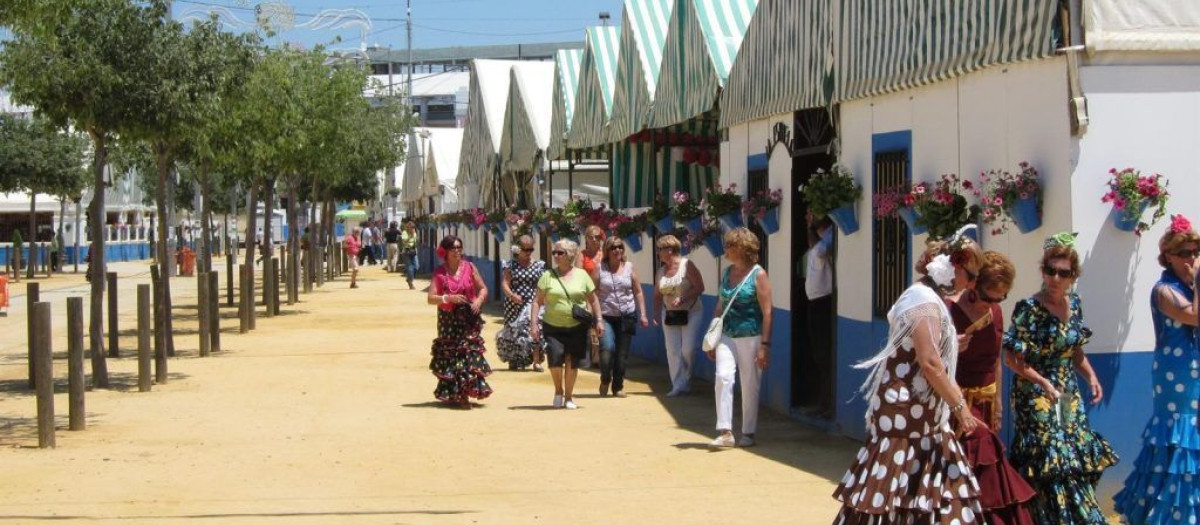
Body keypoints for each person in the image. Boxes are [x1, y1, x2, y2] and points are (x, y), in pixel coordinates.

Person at [833, 229, 984, 522]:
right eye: (972, 273)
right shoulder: (922, 300)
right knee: (899, 495)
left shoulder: (927, 299)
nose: (973, 282)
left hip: (921, 419)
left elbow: (928, 356)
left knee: (918, 497)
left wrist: (951, 346)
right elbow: (929, 362)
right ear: (954, 266)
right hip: (908, 419)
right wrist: (960, 406)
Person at [1003, 232, 1118, 524]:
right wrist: (1043, 383)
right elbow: (1011, 359)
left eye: (1063, 273)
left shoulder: (1074, 305)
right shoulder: (1028, 310)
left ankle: (1072, 517)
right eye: (1050, 271)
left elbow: (1074, 350)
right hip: (1035, 392)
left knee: (1073, 452)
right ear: (1043, 271)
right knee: (1050, 455)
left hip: (1066, 392)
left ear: (1073, 276)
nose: (1055, 278)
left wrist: (1091, 376)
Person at [1115, 215, 1200, 524]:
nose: (1191, 258)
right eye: (1184, 253)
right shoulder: (1165, 290)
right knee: (1180, 433)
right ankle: (1170, 509)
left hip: (1196, 365)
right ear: (1168, 257)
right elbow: (1193, 316)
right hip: (1175, 372)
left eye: (1195, 251)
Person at [947, 249, 1037, 524]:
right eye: (987, 297)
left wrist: (997, 401)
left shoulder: (996, 313)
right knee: (974, 455)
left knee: (981, 470)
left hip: (985, 402)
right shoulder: (948, 309)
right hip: (956, 402)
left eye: (1000, 298)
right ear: (974, 284)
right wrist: (952, 346)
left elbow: (996, 358)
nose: (992, 304)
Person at [707, 228, 773, 448]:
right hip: (727, 334)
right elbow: (720, 306)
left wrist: (765, 345)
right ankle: (725, 431)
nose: (726, 249)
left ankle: (748, 431)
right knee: (723, 376)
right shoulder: (727, 273)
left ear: (742, 249)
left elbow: (768, 312)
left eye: (730, 246)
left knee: (749, 383)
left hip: (751, 336)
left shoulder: (758, 274)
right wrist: (712, 337)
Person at [530, 239, 604, 410]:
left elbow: (593, 300)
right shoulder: (547, 276)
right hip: (552, 325)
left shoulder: (582, 275)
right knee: (555, 359)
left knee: (572, 360)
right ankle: (558, 391)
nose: (555, 256)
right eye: (554, 253)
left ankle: (569, 396)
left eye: (559, 253)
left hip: (576, 326)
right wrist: (534, 324)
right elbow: (537, 302)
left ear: (569, 255)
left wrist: (599, 320)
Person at [426, 235, 492, 408]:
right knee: (452, 355)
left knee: (467, 353)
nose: (457, 251)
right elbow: (431, 298)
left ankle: (464, 394)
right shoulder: (440, 273)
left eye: (459, 248)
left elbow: (483, 288)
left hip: (468, 318)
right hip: (448, 320)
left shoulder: (470, 267)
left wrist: (478, 300)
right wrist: (449, 298)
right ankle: (454, 392)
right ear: (446, 251)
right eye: (453, 248)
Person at [652, 234, 705, 396]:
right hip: (669, 314)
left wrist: (683, 298)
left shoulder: (687, 265)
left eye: (660, 250)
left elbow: (699, 287)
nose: (658, 253)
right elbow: (657, 295)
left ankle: (686, 377)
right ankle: (678, 384)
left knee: (688, 350)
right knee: (672, 350)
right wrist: (655, 314)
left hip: (691, 312)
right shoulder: (661, 271)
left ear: (670, 250)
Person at [595, 236, 649, 397]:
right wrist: (596, 317)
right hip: (606, 315)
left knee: (622, 354)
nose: (617, 250)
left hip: (627, 315)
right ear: (607, 251)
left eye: (620, 247)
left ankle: (617, 386)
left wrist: (643, 314)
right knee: (607, 349)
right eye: (613, 248)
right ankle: (605, 378)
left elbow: (638, 291)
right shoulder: (600, 268)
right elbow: (592, 293)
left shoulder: (630, 267)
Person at [498, 235, 547, 371]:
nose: (528, 252)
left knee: (535, 329)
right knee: (515, 332)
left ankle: (536, 360)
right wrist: (512, 296)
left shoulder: (538, 265)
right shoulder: (510, 265)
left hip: (533, 302)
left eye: (531, 249)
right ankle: (517, 359)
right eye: (526, 249)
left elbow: (542, 284)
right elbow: (505, 283)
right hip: (514, 304)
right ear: (518, 249)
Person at [805, 213, 835, 417]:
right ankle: (823, 401)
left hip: (823, 301)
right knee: (818, 353)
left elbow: (823, 251)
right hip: (815, 302)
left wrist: (811, 229)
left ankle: (827, 403)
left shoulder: (829, 236)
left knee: (823, 353)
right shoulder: (820, 240)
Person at [580, 225, 606, 367]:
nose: (595, 240)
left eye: (598, 237)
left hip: (603, 295)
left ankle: (598, 356)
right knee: (589, 324)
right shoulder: (582, 255)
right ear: (586, 239)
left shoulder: (604, 254)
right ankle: (590, 356)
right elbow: (578, 274)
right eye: (592, 237)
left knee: (600, 324)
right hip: (588, 295)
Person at [401, 219, 420, 289]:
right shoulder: (404, 233)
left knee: (417, 266)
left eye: (413, 227)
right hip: (406, 252)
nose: (412, 229)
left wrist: (416, 250)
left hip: (413, 251)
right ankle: (411, 282)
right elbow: (404, 241)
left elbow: (415, 243)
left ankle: (409, 278)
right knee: (409, 268)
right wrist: (410, 236)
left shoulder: (415, 233)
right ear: (407, 228)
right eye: (410, 227)